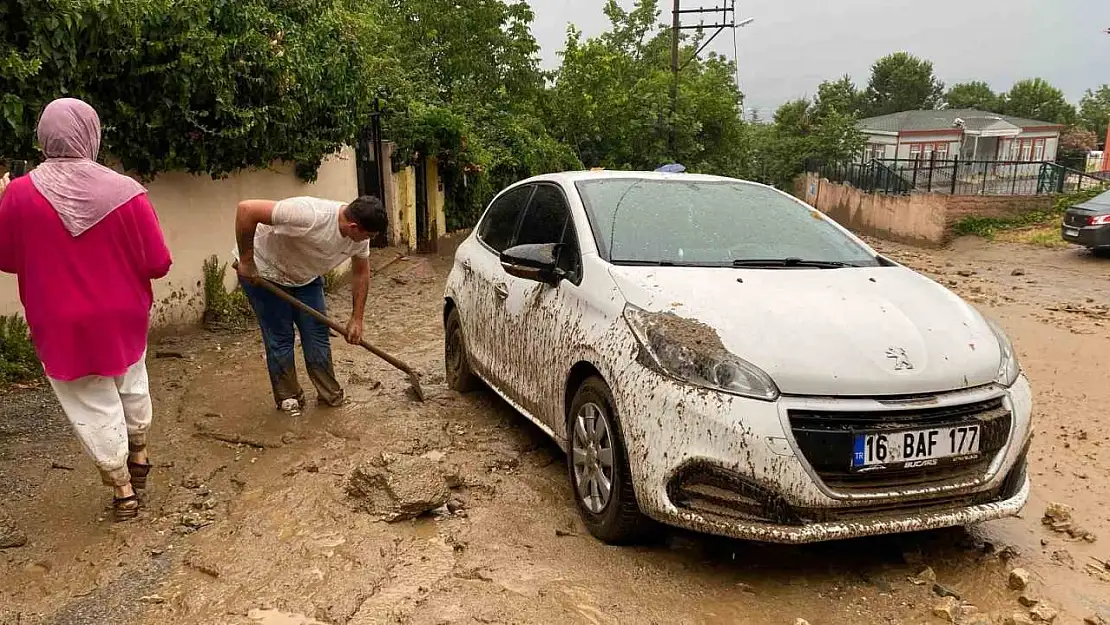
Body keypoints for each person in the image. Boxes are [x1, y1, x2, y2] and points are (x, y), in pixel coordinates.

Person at [0, 98, 173, 521]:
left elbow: (5, 258)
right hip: (123, 313)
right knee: (131, 381)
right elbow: (158, 263)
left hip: (58, 320)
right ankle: (141, 452)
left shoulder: (20, 194)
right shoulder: (127, 191)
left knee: (90, 402)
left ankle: (122, 490)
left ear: (44, 136)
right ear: (91, 134)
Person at [233, 194, 387, 417]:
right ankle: (289, 398)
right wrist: (247, 261)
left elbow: (361, 272)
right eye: (369, 235)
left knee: (317, 334)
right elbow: (246, 209)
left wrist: (357, 318)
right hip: (265, 272)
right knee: (281, 336)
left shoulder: (360, 238)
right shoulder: (309, 214)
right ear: (354, 227)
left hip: (305, 277)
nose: (369, 240)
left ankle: (329, 394)